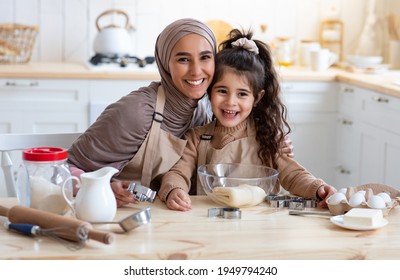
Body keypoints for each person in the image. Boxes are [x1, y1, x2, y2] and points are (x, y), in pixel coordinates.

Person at [67, 18, 293, 208]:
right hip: (116, 215)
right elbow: (64, 169)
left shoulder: (207, 108)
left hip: (171, 217)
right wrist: (105, 187)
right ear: (165, 62)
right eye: (183, 59)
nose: (196, 70)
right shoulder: (136, 112)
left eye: (205, 57)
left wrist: (272, 142)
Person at [158, 29, 337, 211]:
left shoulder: (266, 137)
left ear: (257, 98)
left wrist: (318, 188)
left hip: (259, 225)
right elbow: (178, 173)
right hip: (210, 225)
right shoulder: (196, 138)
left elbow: (293, 175)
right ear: (209, 92)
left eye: (242, 94)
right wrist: (174, 190)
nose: (230, 102)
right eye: (222, 91)